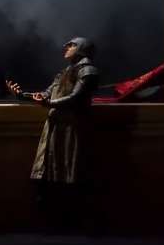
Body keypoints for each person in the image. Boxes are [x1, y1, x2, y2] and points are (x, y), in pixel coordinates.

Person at [6, 37, 100, 215]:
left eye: (72, 44)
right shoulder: (65, 72)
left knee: (71, 168)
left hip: (73, 126)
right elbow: (45, 94)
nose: (66, 47)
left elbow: (76, 97)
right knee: (51, 169)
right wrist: (22, 95)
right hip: (57, 125)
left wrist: (49, 103)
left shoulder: (88, 70)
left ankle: (73, 216)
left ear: (82, 48)